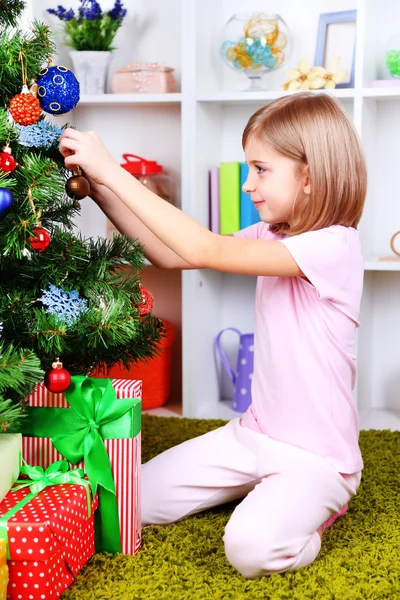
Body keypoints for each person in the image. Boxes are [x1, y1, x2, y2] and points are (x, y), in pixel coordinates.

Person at [59, 91, 367, 579]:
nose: (248, 185)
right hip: (254, 435)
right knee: (129, 502)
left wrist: (113, 170)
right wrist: (101, 188)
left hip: (316, 458)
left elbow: (201, 248)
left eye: (261, 169)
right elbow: (172, 253)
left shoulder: (335, 247)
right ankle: (265, 490)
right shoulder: (275, 234)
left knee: (250, 550)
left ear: (308, 175)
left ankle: (314, 510)